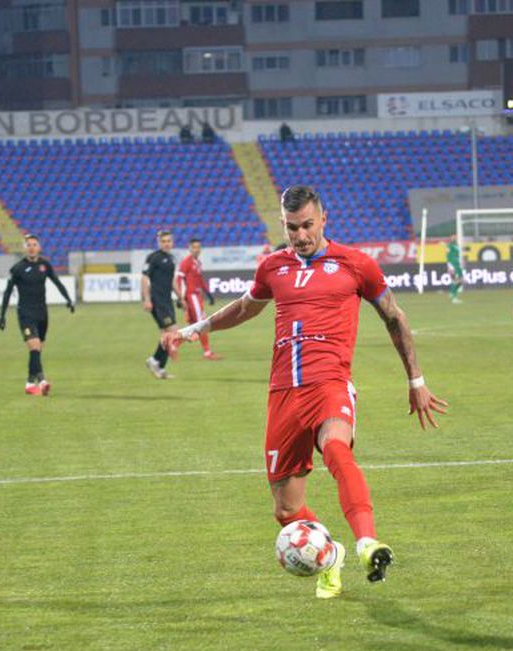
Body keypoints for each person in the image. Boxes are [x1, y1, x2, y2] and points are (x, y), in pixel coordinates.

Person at [161, 185, 447, 599]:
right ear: (283, 225)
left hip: (329, 383)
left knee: (336, 448)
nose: (300, 235)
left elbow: (394, 317)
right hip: (283, 394)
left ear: (324, 219)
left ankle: (367, 543)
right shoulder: (272, 267)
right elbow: (245, 306)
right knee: (286, 510)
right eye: (292, 228)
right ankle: (331, 556)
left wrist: (415, 380)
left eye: (307, 225)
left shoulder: (356, 264)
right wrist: (195, 328)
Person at [0, 234, 74, 396]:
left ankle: (30, 383)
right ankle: (43, 381)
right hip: (25, 313)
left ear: (39, 247)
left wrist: (68, 299)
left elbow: (57, 282)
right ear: (24, 248)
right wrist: (2, 315)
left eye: (34, 244)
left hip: (42, 313)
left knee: (37, 350)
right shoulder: (17, 269)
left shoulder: (44, 265)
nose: (31, 248)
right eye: (28, 245)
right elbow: (7, 292)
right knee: (34, 346)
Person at [142, 230, 181, 379]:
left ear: (172, 242)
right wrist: (147, 299)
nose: (166, 244)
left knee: (166, 335)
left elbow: (172, 281)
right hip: (157, 301)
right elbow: (144, 278)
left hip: (167, 301)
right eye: (163, 241)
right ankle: (154, 360)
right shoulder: (153, 258)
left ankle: (160, 367)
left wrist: (181, 297)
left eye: (168, 241)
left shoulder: (171, 259)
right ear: (159, 243)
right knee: (173, 332)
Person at [174, 238, 220, 359]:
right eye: (194, 247)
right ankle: (207, 352)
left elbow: (199, 280)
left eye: (198, 247)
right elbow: (179, 279)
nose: (197, 249)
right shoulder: (186, 262)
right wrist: (180, 297)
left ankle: (172, 345)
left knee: (193, 326)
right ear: (189, 248)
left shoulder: (197, 262)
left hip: (196, 296)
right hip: (191, 296)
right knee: (201, 324)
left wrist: (208, 293)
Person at [444, 237, 464, 303]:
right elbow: (447, 255)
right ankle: (454, 298)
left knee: (460, 280)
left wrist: (461, 262)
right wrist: (449, 266)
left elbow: (458, 255)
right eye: (453, 238)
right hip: (453, 264)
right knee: (456, 280)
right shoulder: (449, 246)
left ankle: (452, 293)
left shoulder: (456, 246)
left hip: (457, 264)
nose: (454, 239)